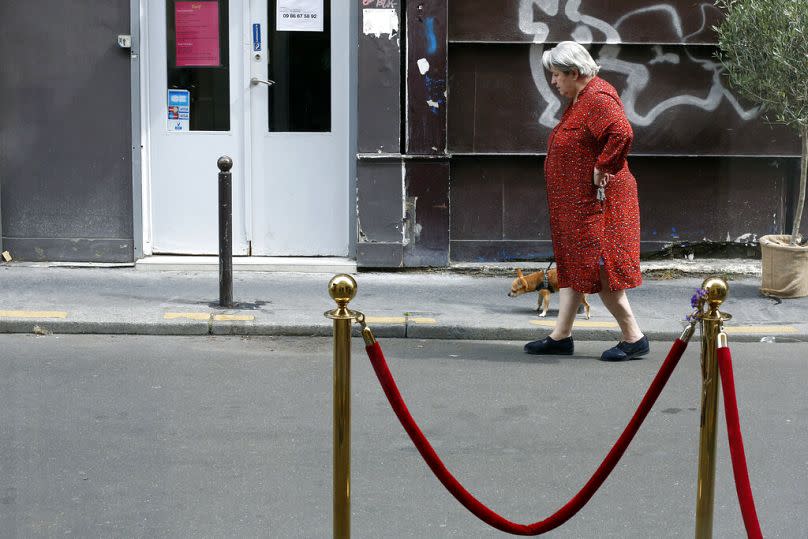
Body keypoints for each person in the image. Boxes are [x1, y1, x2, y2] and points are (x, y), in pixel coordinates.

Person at [524, 41, 648, 362]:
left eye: (556, 75)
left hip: (601, 207)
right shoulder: (581, 98)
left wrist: (603, 166)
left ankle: (634, 337)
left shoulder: (596, 98)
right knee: (576, 266)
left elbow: (622, 133)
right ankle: (561, 336)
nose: (553, 82)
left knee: (601, 270)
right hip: (579, 206)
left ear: (573, 72)